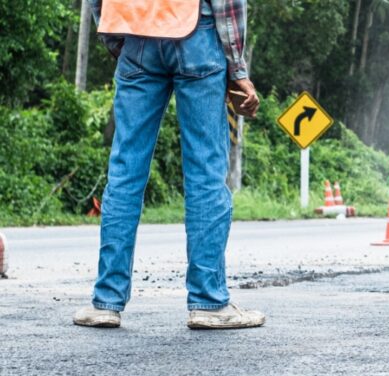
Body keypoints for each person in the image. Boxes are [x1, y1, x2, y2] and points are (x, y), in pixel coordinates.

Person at [73, 0, 265, 330]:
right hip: (197, 34)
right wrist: (238, 70)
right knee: (205, 170)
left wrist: (115, 37)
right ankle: (209, 302)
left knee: (125, 170)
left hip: (135, 33)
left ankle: (106, 301)